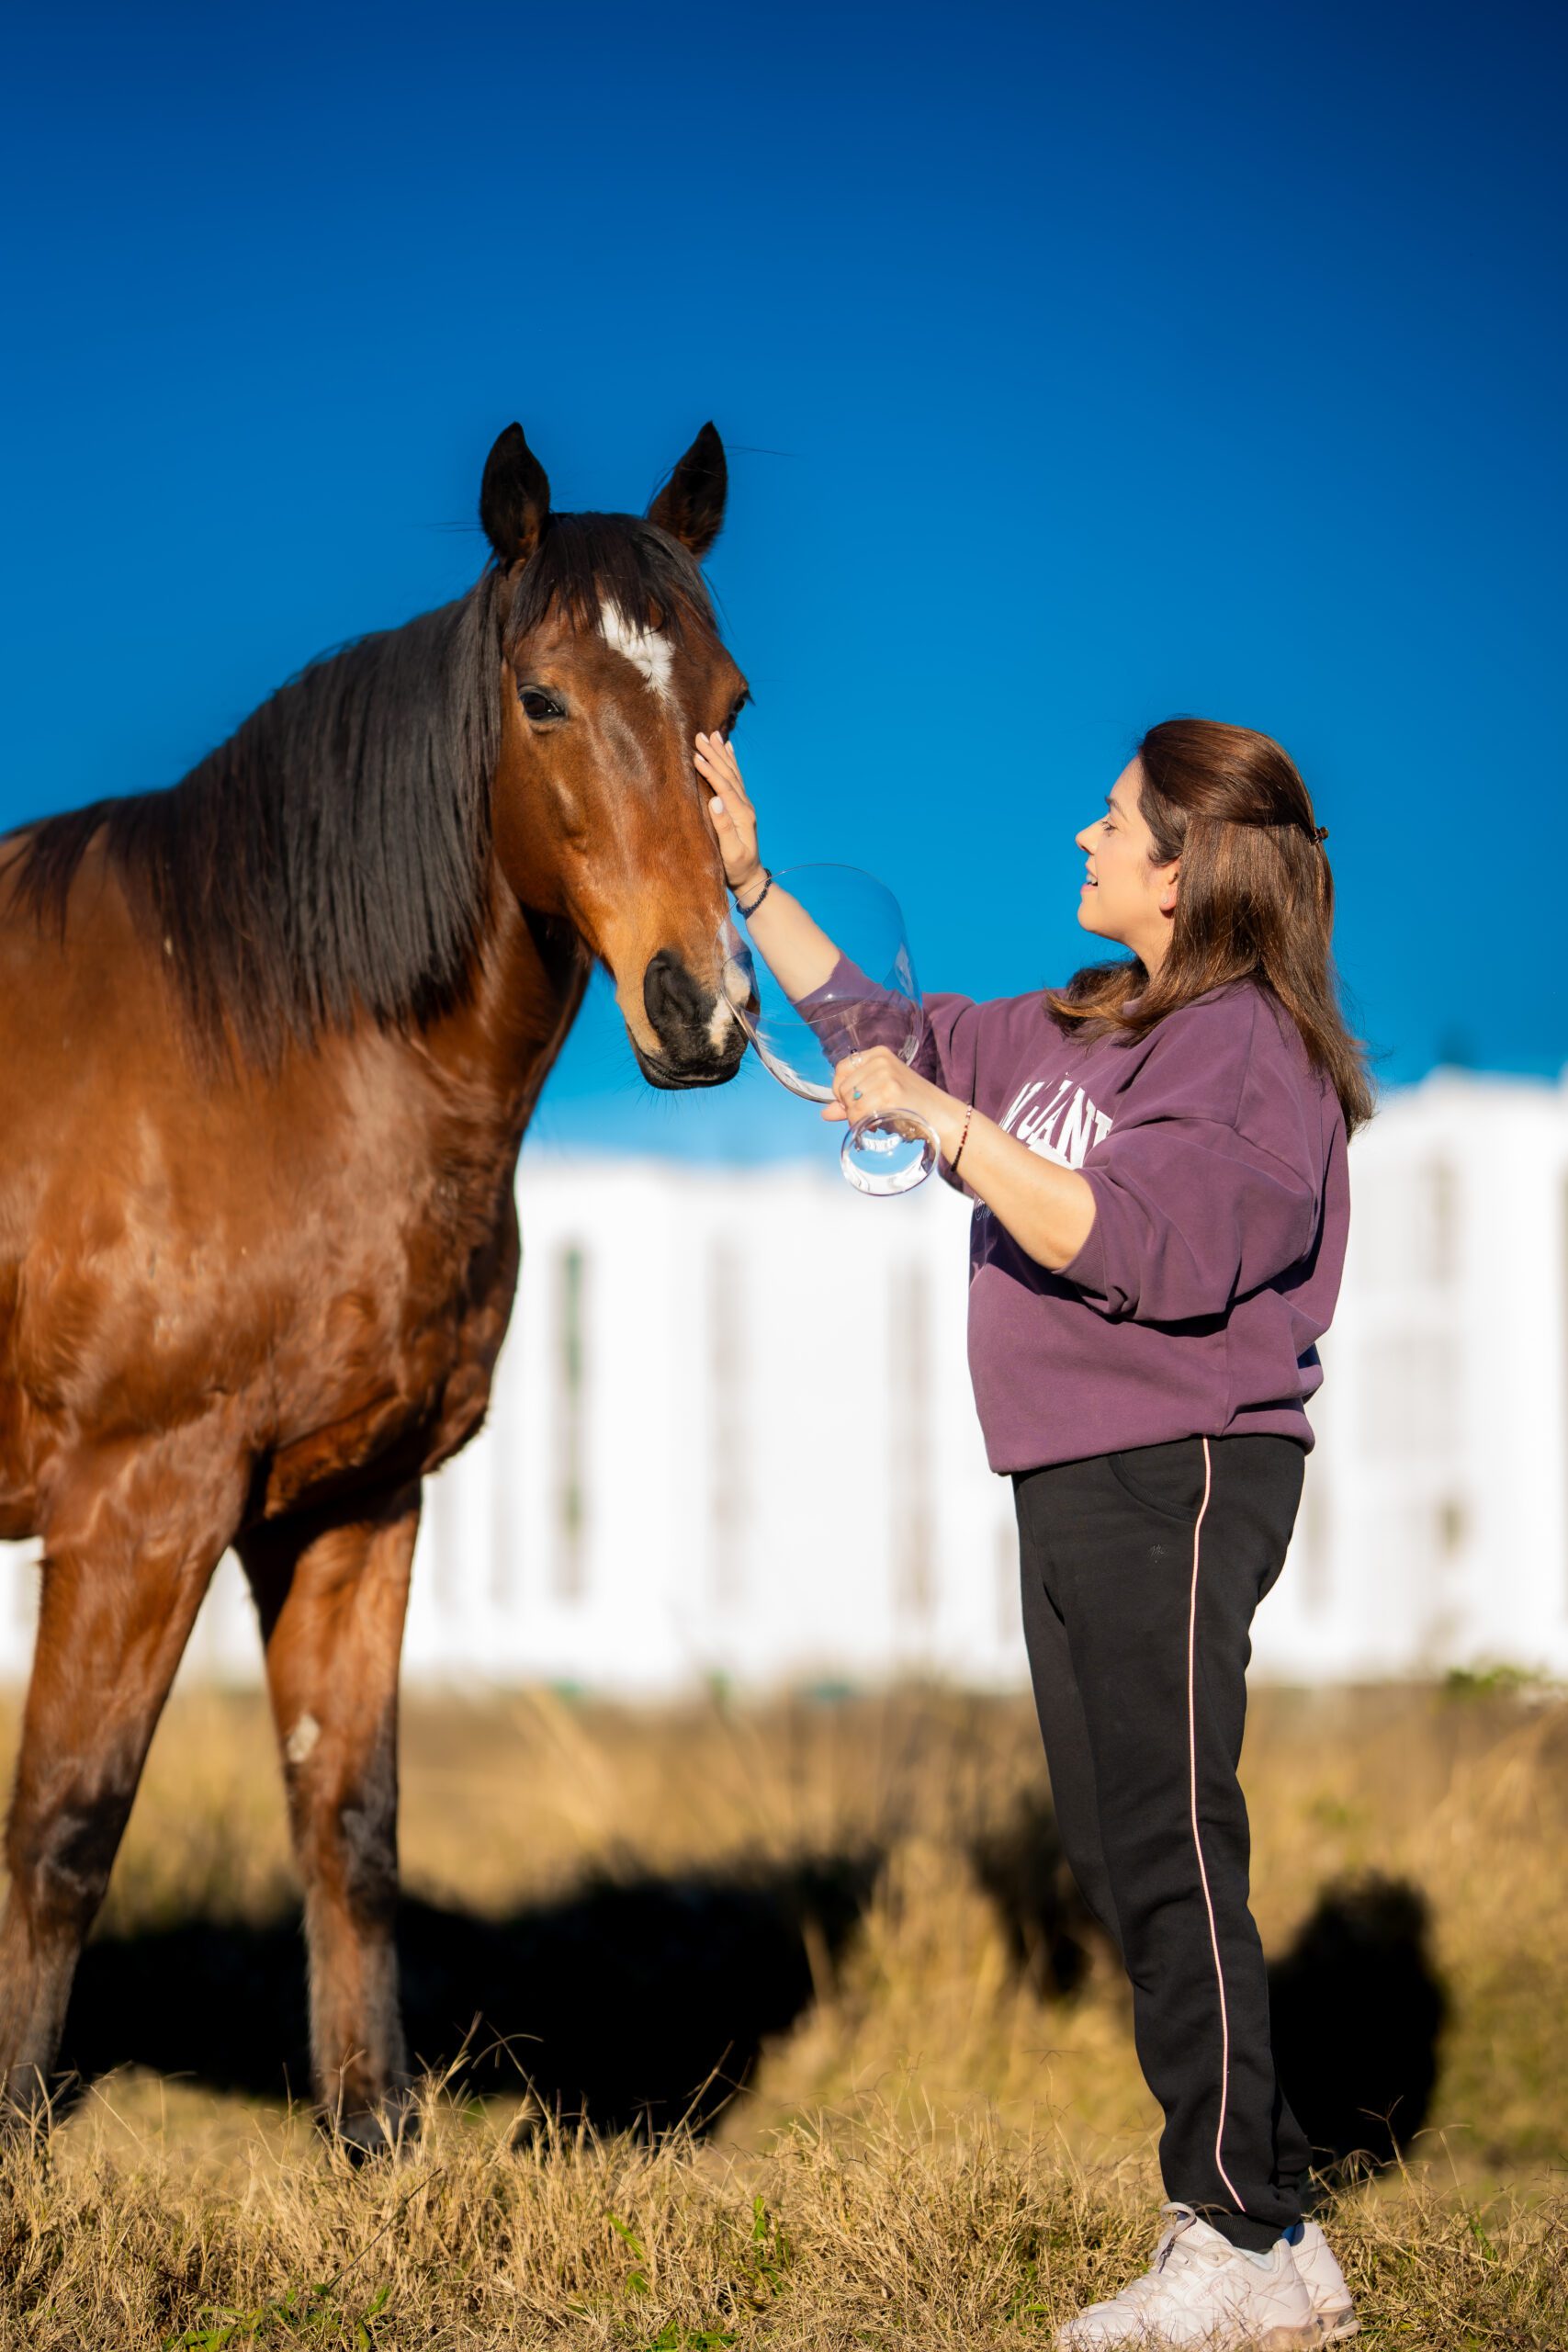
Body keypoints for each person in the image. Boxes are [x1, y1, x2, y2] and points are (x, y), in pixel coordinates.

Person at [694, 718, 1372, 2352]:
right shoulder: (1084, 1026)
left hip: (1179, 1470)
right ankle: (1279, 2237)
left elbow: (1142, 1244)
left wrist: (948, 1129)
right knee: (1121, 1847)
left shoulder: (1245, 1049)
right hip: (1070, 1472)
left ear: (1187, 867)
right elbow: (891, 1034)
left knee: (1171, 1843)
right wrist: (751, 882)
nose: (1085, 835)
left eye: (1116, 819)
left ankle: (1231, 2231)